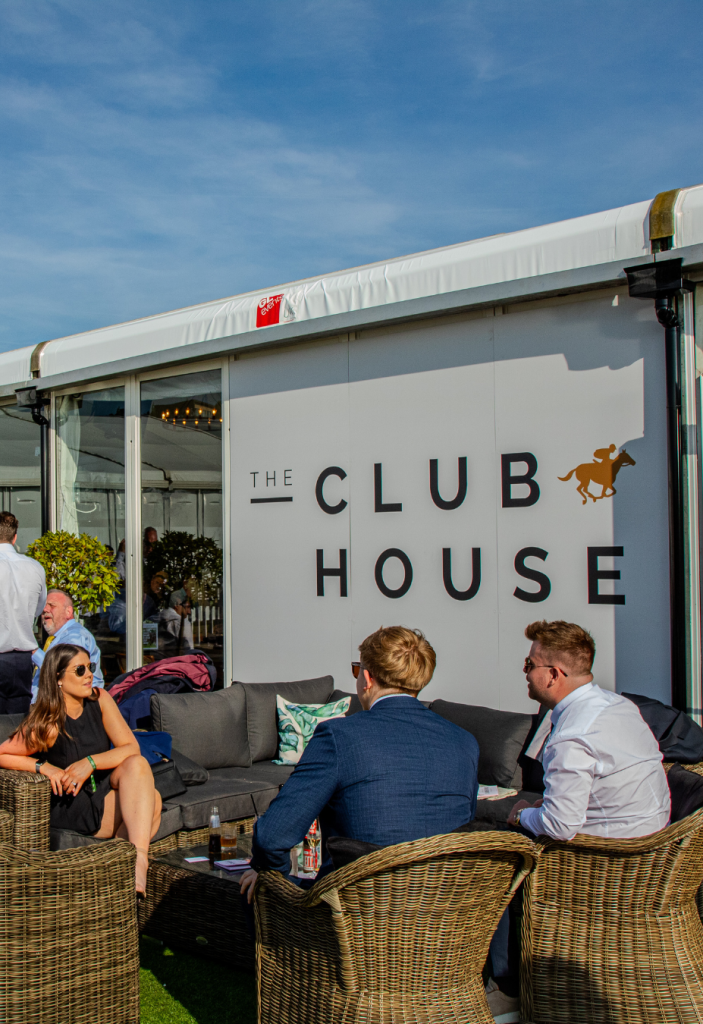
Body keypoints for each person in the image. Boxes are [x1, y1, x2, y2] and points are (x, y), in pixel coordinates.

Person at [485, 619, 671, 1023]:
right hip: (655, 855)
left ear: (553, 674)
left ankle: (509, 987)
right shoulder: (618, 706)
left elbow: (559, 826)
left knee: (497, 853)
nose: (524, 672)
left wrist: (519, 814)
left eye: (529, 664)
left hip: (606, 865)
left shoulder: (573, 733)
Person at [240, 626, 479, 903]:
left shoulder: (339, 736)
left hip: (359, 913)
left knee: (254, 893)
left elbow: (272, 837)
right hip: (447, 909)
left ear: (367, 678)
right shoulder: (465, 742)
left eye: (357, 670)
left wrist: (275, 878)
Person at [0, 643, 161, 895]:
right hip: (74, 803)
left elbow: (131, 748)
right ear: (58, 678)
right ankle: (124, 865)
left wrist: (90, 762)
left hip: (101, 785)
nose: (89, 675)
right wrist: (43, 767)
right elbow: (2, 753)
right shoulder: (49, 723)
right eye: (80, 670)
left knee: (137, 764)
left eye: (90, 667)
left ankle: (137, 860)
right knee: (154, 801)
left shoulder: (100, 699)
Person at [0, 511, 46, 714]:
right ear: (15, 537)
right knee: (19, 723)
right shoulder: (35, 567)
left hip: (15, 655)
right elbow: (38, 609)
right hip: (21, 660)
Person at [32, 589, 104, 701]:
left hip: (67, 707)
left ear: (68, 612)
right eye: (44, 606)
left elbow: (61, 669)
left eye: (52, 605)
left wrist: (32, 649)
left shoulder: (74, 636)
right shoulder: (60, 637)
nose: (45, 609)